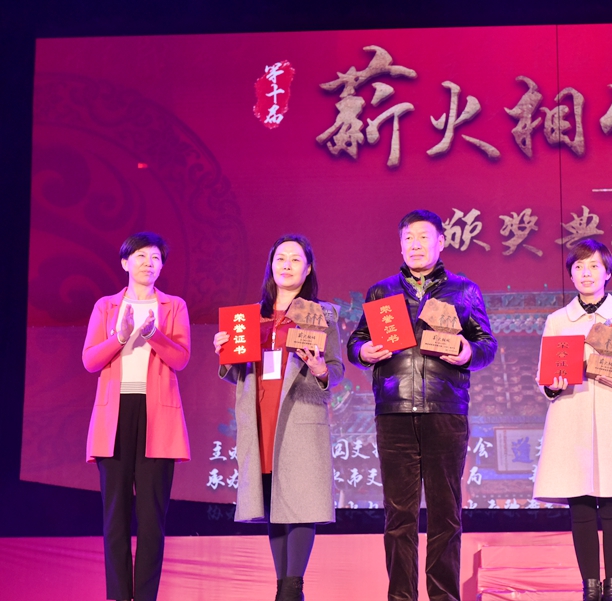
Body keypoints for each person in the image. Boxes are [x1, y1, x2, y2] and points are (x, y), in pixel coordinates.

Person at [347, 210, 497, 601]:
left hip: (445, 411)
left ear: (441, 242)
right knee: (399, 515)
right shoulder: (381, 292)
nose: (415, 245)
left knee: (446, 513)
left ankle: (444, 596)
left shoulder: (464, 290)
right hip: (394, 410)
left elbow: (487, 344)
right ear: (400, 245)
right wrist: (363, 351)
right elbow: (355, 341)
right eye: (408, 238)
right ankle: (401, 597)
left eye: (424, 237)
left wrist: (467, 352)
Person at [214, 234, 343, 601]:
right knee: (274, 503)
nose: (286, 265)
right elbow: (238, 371)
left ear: (308, 269)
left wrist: (320, 369)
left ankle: (291, 589)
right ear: (271, 265)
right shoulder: (249, 318)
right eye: (280, 258)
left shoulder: (321, 314)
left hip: (300, 416)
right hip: (260, 417)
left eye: (295, 259)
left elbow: (336, 369)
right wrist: (224, 352)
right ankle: (284, 589)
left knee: (300, 502)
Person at [532, 239, 612, 601]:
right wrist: (551, 386)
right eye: (578, 267)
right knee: (581, 504)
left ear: (608, 273)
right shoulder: (558, 320)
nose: (586, 274)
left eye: (593, 266)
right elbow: (544, 373)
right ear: (570, 275)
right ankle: (589, 587)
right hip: (570, 416)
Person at [82, 232, 191, 601]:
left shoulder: (174, 306)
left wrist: (154, 334)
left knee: (151, 518)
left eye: (156, 257)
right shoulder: (106, 307)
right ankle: (118, 595)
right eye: (141, 256)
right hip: (115, 415)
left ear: (162, 266)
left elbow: (180, 359)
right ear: (125, 262)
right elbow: (90, 360)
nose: (149, 263)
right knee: (114, 516)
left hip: (157, 416)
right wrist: (121, 336)